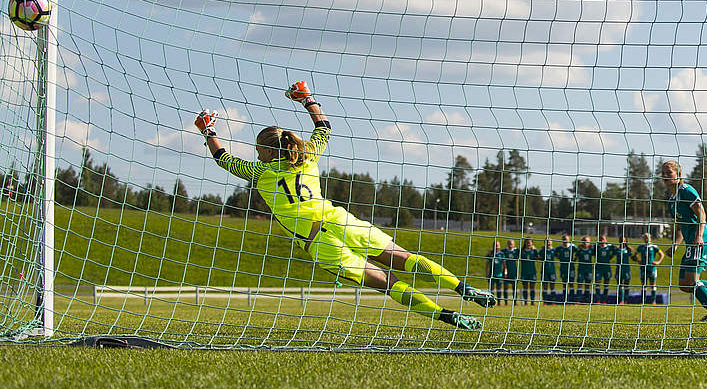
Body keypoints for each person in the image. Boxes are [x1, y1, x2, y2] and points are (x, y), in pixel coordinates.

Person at [193, 82, 494, 330]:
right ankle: (464, 289)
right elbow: (324, 126)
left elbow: (223, 159)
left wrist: (209, 130)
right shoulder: (308, 157)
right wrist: (306, 98)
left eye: (259, 149)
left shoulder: (262, 172)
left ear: (267, 152)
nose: (256, 154)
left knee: (388, 284)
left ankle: (450, 317)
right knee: (405, 258)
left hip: (317, 240)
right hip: (340, 220)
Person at [660, 160, 707, 322]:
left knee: (693, 281)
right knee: (684, 284)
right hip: (690, 244)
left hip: (702, 241)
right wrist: (675, 244)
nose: (665, 176)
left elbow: (702, 213)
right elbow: (680, 225)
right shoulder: (672, 200)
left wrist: (699, 236)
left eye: (669, 173)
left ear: (679, 174)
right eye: (663, 173)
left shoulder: (687, 191)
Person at [638, 232, 664, 303]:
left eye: (647, 237)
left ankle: (653, 301)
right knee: (644, 285)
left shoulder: (654, 247)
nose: (646, 239)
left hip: (652, 268)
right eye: (645, 237)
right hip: (643, 268)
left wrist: (658, 262)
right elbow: (635, 255)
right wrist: (638, 260)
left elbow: (662, 254)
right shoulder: (641, 247)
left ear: (650, 238)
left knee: (653, 285)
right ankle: (643, 301)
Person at [574, 235, 595, 301]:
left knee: (587, 285)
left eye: (587, 241)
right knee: (579, 284)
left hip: (588, 269)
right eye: (584, 241)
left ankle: (586, 299)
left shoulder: (591, 249)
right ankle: (578, 299)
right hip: (581, 269)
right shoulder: (579, 250)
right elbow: (575, 258)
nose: (585, 243)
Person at [520, 238, 538, 304]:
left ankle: (532, 301)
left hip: (532, 271)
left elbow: (539, 257)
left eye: (529, 242)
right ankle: (525, 302)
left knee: (532, 287)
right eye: (527, 242)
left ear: (532, 243)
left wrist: (535, 249)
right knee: (525, 287)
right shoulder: (522, 251)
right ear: (525, 243)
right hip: (524, 271)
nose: (528, 243)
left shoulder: (534, 251)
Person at [557, 234, 575, 300]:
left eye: (566, 239)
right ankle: (565, 299)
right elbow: (555, 252)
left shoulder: (572, 246)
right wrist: (559, 257)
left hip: (571, 267)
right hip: (563, 267)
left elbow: (578, 251)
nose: (565, 241)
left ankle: (572, 299)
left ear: (569, 240)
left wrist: (575, 258)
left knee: (571, 283)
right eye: (564, 239)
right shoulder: (559, 247)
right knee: (564, 283)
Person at [502, 239, 519, 305]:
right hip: (506, 271)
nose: (510, 245)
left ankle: (515, 302)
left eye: (511, 243)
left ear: (514, 244)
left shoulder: (516, 251)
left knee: (514, 287)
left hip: (514, 271)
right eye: (509, 243)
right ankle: (505, 302)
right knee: (505, 287)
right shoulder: (504, 251)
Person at [616, 237, 632, 302]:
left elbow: (632, 257)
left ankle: (626, 300)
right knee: (620, 284)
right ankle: (621, 301)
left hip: (626, 269)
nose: (622, 242)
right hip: (619, 269)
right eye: (621, 240)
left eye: (624, 240)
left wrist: (638, 260)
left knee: (626, 284)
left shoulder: (628, 249)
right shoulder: (616, 249)